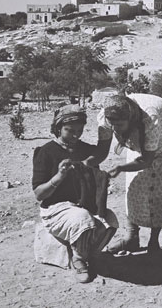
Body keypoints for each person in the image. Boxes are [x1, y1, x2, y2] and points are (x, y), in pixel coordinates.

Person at [87, 93, 162, 254]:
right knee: (133, 187)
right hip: (142, 138)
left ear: (130, 120)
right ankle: (132, 238)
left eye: (119, 125)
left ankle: (153, 241)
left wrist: (121, 168)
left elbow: (146, 161)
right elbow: (101, 151)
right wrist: (84, 165)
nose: (114, 129)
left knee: (160, 189)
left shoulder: (150, 119)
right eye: (112, 124)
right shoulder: (106, 117)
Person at [32, 105, 117, 283]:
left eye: (80, 130)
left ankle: (92, 255)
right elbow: (39, 194)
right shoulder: (46, 152)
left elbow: (99, 157)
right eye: (70, 130)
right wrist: (59, 176)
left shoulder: (85, 150)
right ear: (58, 128)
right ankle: (78, 259)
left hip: (81, 205)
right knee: (82, 217)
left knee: (109, 220)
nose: (76, 135)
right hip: (55, 209)